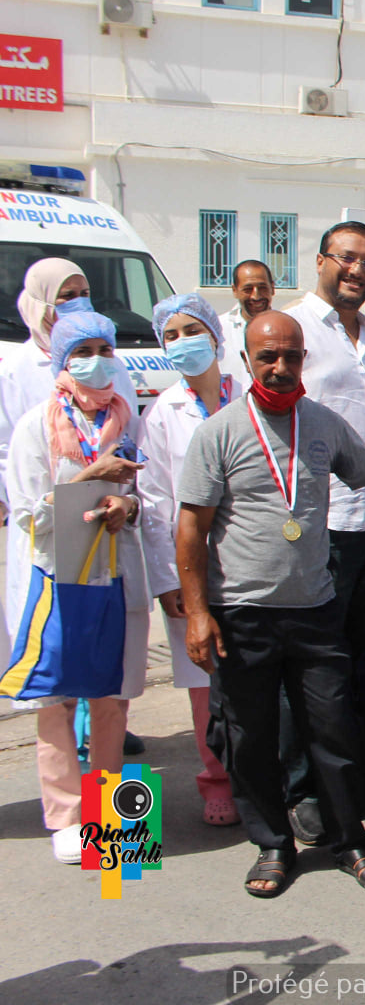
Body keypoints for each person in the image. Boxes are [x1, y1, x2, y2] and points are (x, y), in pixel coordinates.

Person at [176, 311, 365, 897]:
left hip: (314, 609)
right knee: (252, 736)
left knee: (333, 729)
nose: (281, 367)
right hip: (241, 612)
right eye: (268, 357)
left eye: (291, 356)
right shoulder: (220, 431)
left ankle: (351, 842)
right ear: (246, 361)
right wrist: (198, 613)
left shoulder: (323, 425)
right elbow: (191, 529)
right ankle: (272, 845)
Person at [5, 312, 150, 864]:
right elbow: (25, 512)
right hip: (58, 577)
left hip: (115, 575)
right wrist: (88, 481)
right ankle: (65, 814)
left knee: (111, 698)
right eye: (83, 350)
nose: (97, 358)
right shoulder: (35, 427)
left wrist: (127, 504)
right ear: (63, 363)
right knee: (58, 699)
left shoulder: (124, 417)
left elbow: (147, 494)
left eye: (104, 347)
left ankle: (110, 816)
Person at [287, 220, 365, 799]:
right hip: (324, 525)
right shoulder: (294, 331)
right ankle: (305, 791)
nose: (358, 271)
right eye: (348, 258)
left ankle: (362, 778)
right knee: (316, 667)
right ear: (320, 261)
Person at [136, 294, 240, 828]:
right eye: (170, 335)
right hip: (192, 563)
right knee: (203, 681)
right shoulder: (161, 413)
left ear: (216, 335)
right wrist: (166, 579)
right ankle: (215, 778)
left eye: (191, 330)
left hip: (247, 558)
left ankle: (262, 781)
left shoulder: (246, 394)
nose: (181, 343)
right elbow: (154, 504)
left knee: (255, 675)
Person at [0, 259, 139, 498]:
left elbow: (131, 429)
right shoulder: (15, 368)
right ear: (40, 304)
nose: (79, 303)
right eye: (68, 295)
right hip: (42, 498)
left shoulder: (111, 362)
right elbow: (5, 446)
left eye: (85, 294)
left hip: (110, 501)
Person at [220, 260, 275, 377]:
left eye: (262, 288)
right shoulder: (219, 331)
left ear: (273, 288)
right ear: (235, 291)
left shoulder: (287, 329)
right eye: (248, 289)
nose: (256, 296)